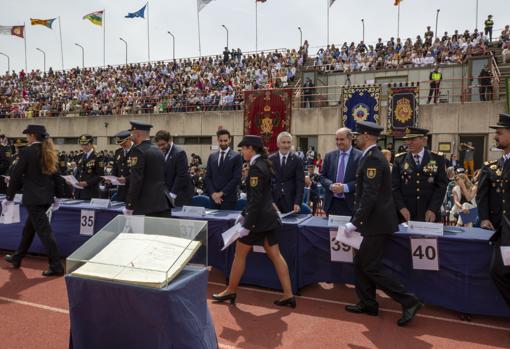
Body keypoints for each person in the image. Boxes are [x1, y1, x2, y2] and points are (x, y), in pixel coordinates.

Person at [343, 121, 422, 326]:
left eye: (357, 135)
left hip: (376, 223)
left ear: (367, 136)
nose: (356, 138)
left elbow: (369, 195)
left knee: (369, 265)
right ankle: (368, 303)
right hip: (373, 222)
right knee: (361, 263)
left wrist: (355, 222)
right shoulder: (370, 157)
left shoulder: (373, 159)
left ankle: (409, 300)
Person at [212, 135, 295, 307]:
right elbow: (261, 197)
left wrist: (247, 225)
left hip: (257, 221)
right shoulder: (263, 164)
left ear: (251, 149)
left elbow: (256, 200)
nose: (242, 151)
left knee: (239, 255)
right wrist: (244, 213)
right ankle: (288, 294)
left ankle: (231, 290)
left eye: (243, 148)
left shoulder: (256, 168)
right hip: (267, 218)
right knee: (276, 256)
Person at [3, 125, 65, 276]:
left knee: (45, 232)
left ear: (33, 136)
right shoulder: (48, 151)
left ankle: (56, 266)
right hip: (46, 198)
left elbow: (16, 176)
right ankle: (18, 257)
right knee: (29, 229)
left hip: (33, 199)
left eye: (28, 135)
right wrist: (59, 196)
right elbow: (57, 176)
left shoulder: (27, 152)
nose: (27, 138)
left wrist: (9, 197)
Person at [476, 113, 510, 311]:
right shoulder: (493, 166)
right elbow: (482, 196)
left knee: (500, 271)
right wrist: (485, 218)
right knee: (498, 271)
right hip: (503, 232)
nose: (495, 137)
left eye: (499, 132)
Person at [392, 127, 448, 222]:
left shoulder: (437, 158)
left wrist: (432, 209)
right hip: (405, 214)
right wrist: (401, 207)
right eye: (407, 140)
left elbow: (441, 186)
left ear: (424, 140)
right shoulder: (399, 159)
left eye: (413, 139)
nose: (408, 142)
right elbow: (394, 187)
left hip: (429, 214)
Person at [124, 121, 171, 217]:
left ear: (137, 134)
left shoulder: (137, 151)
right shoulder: (157, 149)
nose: (131, 136)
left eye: (132, 133)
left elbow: (136, 180)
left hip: (145, 206)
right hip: (162, 202)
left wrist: (129, 204)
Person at [320, 127, 362, 216]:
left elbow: (362, 181)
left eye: (342, 139)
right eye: (337, 139)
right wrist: (331, 185)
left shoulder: (360, 157)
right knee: (331, 230)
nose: (339, 142)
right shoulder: (329, 156)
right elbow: (322, 177)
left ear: (350, 139)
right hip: (331, 204)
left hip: (351, 205)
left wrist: (345, 187)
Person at [204, 128, 242, 210]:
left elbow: (236, 178)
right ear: (217, 140)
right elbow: (207, 177)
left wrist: (221, 193)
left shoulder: (236, 156)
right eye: (221, 141)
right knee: (213, 223)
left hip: (229, 199)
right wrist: (213, 193)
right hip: (213, 199)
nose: (223, 143)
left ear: (230, 140)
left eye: (225, 140)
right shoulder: (212, 156)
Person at [154, 130, 194, 208]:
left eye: (163, 144)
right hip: (167, 193)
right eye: (158, 145)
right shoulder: (160, 152)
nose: (161, 147)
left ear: (169, 140)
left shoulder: (179, 153)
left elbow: (181, 176)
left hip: (180, 194)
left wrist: (172, 195)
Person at [269, 132, 305, 214]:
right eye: (283, 142)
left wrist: (297, 202)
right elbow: (268, 183)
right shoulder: (270, 160)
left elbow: (300, 183)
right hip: (274, 202)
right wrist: (270, 201)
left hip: (291, 202)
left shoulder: (297, 160)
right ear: (278, 144)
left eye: (288, 142)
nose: (286, 145)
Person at [73, 134, 103, 200]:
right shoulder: (80, 156)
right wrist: (72, 181)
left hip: (91, 192)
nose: (84, 146)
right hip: (79, 192)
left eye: (86, 144)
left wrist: (87, 183)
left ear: (91, 144)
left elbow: (100, 175)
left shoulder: (98, 157)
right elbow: (79, 173)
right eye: (82, 144)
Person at [111, 130, 133, 202]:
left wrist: (126, 179)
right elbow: (115, 169)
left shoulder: (137, 151)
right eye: (120, 143)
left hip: (133, 190)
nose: (122, 145)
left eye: (124, 143)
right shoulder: (118, 152)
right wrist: (110, 179)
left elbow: (140, 173)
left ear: (130, 139)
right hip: (121, 191)